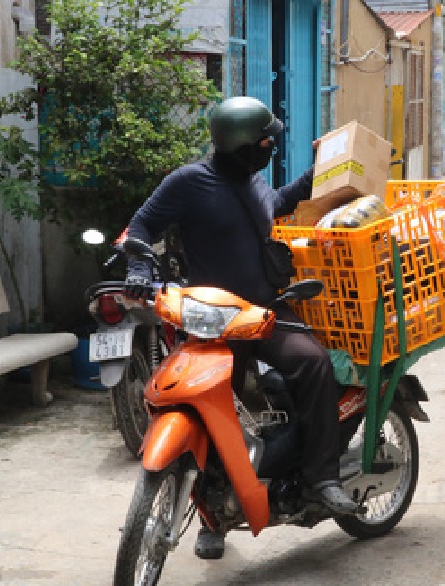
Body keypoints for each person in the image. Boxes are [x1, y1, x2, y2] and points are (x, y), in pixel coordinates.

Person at [123, 96, 359, 559]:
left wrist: (321, 171)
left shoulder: (252, 180)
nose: (272, 146)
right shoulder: (190, 182)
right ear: (246, 145)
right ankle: (214, 519)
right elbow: (142, 225)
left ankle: (322, 477)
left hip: (265, 312)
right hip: (212, 321)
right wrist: (138, 269)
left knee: (312, 364)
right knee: (209, 412)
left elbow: (279, 204)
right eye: (267, 140)